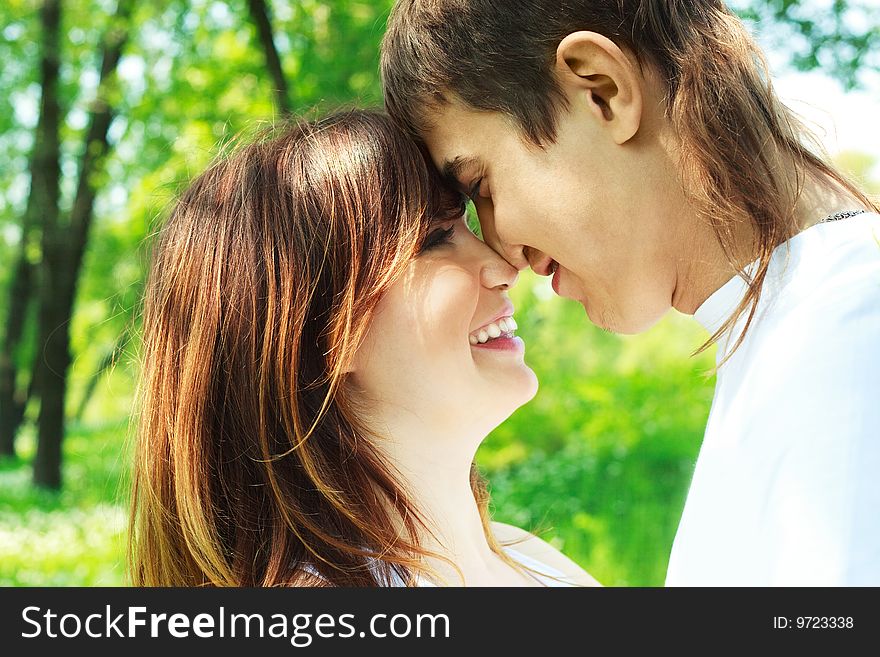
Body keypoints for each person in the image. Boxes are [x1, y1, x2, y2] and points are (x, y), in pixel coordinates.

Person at [380, 0, 880, 585]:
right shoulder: (803, 334)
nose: (501, 248)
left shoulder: (848, 351)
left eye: (481, 185)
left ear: (603, 90)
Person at [128, 109, 599, 587]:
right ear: (321, 335)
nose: (504, 268)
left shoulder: (530, 556)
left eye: (467, 229)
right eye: (435, 240)